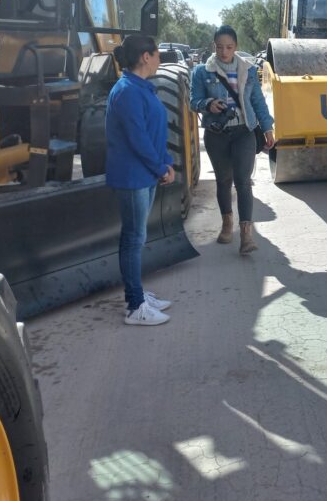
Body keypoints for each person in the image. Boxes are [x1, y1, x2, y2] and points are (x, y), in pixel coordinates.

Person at [105, 35, 175, 326]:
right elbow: (138, 139)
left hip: (144, 173)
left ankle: (138, 294)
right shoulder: (128, 92)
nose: (160, 58)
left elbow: (152, 130)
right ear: (145, 57)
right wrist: (160, 167)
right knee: (134, 239)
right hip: (134, 176)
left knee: (136, 238)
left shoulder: (139, 88)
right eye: (157, 53)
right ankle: (135, 307)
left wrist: (165, 163)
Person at [191, 25, 275, 255]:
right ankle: (227, 223)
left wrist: (268, 129)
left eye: (229, 47)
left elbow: (258, 102)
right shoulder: (201, 72)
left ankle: (246, 234)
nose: (224, 52)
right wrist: (208, 104)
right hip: (216, 134)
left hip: (243, 132)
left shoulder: (248, 70)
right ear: (213, 46)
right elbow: (193, 101)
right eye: (220, 47)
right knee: (223, 180)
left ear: (236, 47)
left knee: (243, 181)